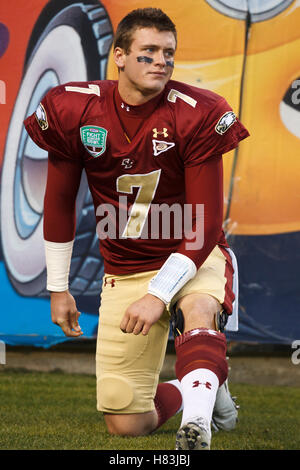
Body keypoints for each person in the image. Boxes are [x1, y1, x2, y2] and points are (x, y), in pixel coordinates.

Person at [24, 8, 249, 450]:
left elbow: (204, 225)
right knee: (125, 420)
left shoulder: (198, 112)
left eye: (169, 53)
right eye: (149, 52)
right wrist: (58, 286)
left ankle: (199, 426)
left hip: (193, 253)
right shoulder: (74, 107)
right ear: (120, 56)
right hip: (125, 265)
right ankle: (201, 383)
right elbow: (59, 201)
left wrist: (159, 294)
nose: (161, 61)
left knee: (199, 309)